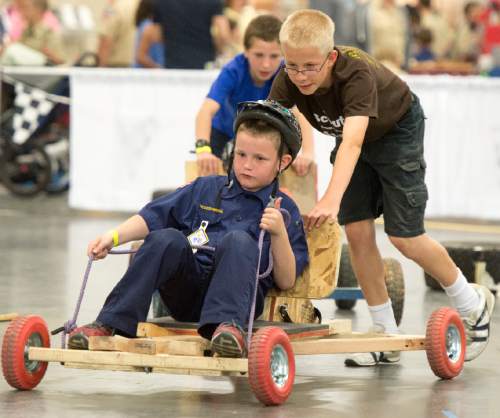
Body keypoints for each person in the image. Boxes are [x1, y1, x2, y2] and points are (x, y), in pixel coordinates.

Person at [268, 9, 495, 366]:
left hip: (396, 131)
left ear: (330, 58)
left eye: (310, 67)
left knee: (405, 237)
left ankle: (472, 301)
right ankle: (385, 333)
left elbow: (354, 143)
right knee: (357, 233)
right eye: (292, 66)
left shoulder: (354, 73)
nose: (300, 76)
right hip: (353, 139)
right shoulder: (289, 77)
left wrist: (330, 197)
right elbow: (271, 134)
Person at [68, 100, 309, 358]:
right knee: (166, 238)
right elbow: (153, 216)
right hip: (188, 294)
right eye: (240, 155)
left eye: (260, 158)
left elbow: (285, 280)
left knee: (238, 240)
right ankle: (110, 322)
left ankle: (228, 331)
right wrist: (112, 237)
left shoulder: (285, 211)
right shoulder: (206, 188)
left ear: (282, 162)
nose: (246, 165)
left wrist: (279, 232)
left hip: (238, 303)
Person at [195, 14, 314, 177]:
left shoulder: (285, 73)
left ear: (283, 54)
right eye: (258, 55)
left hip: (261, 135)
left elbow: (300, 113)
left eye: (274, 56)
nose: (266, 64)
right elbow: (206, 111)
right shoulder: (233, 71)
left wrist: (307, 154)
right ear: (245, 52)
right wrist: (202, 149)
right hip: (223, 133)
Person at [152, 0, 231, 69]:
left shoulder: (161, 2)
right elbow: (223, 34)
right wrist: (219, 50)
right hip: (204, 63)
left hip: (173, 63)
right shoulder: (212, 1)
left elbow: (156, 36)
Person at [97, 0, 140, 67]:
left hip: (115, 65)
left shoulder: (114, 8)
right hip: (136, 66)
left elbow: (106, 41)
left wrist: (100, 68)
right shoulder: (140, 4)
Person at [132, 0, 164, 68]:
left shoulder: (143, 25)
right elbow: (141, 56)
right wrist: (158, 67)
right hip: (146, 72)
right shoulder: (148, 26)